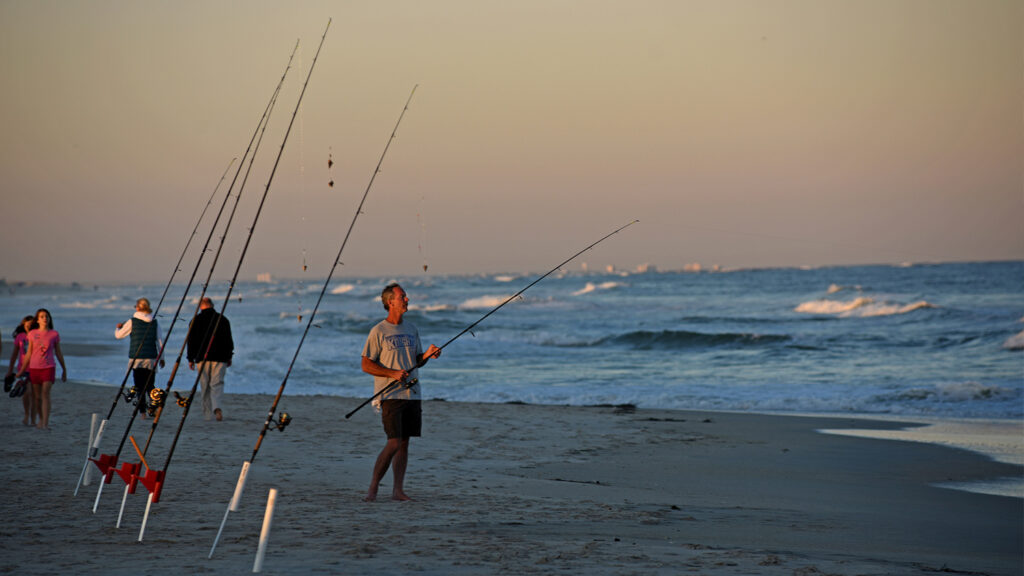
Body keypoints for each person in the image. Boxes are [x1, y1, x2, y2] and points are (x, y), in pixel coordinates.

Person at [361, 283, 441, 502]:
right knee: (394, 442)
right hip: (390, 395)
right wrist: (392, 374)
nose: (407, 299)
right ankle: (373, 488)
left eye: (405, 296)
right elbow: (366, 364)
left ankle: (398, 490)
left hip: (413, 393)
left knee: (405, 443)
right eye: (402, 296)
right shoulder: (379, 331)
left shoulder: (412, 329)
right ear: (390, 302)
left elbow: (415, 362)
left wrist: (428, 355)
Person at [15, 308, 66, 430]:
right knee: (37, 397)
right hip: (34, 368)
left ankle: (45, 423)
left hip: (49, 367)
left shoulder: (54, 334)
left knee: (45, 394)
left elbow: (58, 352)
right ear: (37, 320)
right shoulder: (32, 334)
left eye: (47, 316)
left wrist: (64, 369)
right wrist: (21, 371)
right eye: (42, 316)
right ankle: (41, 419)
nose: (45, 318)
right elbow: (29, 353)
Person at [114, 298, 165, 416]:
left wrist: (118, 327)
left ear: (138, 308)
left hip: (136, 359)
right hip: (151, 358)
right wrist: (162, 358)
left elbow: (119, 335)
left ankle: (142, 412)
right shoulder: (155, 322)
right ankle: (153, 407)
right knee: (150, 384)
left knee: (139, 386)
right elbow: (160, 341)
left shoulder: (132, 321)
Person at [186, 297, 233, 421]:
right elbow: (228, 340)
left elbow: (191, 342)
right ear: (212, 305)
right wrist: (229, 356)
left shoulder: (195, 320)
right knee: (217, 384)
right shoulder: (222, 319)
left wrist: (190, 358)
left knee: (205, 385)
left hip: (202, 358)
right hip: (220, 357)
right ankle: (217, 408)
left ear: (201, 306)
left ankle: (208, 415)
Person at [6, 315, 37, 425]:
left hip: (36, 368)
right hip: (23, 369)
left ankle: (33, 419)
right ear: (23, 325)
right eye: (27, 325)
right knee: (26, 393)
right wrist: (10, 370)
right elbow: (14, 355)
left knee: (35, 395)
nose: (29, 326)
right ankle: (26, 414)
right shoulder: (20, 337)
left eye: (31, 325)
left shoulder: (37, 336)